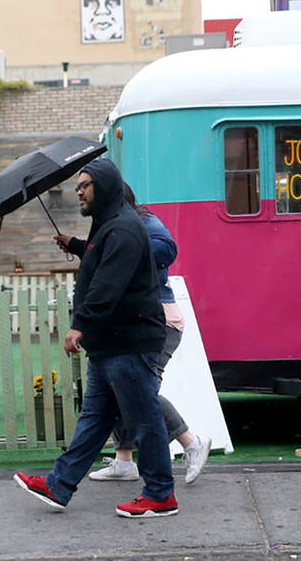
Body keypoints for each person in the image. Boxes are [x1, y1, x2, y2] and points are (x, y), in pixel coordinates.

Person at [13, 158, 177, 518]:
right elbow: (98, 261)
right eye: (78, 186)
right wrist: (76, 245)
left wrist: (79, 324)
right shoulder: (108, 227)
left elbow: (108, 285)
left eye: (85, 185)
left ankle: (161, 495)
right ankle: (60, 484)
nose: (79, 191)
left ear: (103, 188)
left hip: (129, 344)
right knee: (94, 418)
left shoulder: (122, 229)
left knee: (145, 420)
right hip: (110, 345)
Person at [82, 183, 210, 484]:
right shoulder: (112, 227)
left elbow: (167, 249)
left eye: (90, 190)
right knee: (118, 390)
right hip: (135, 322)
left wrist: (124, 250)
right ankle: (125, 460)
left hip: (160, 320)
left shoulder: (142, 222)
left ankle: (192, 443)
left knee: (138, 391)